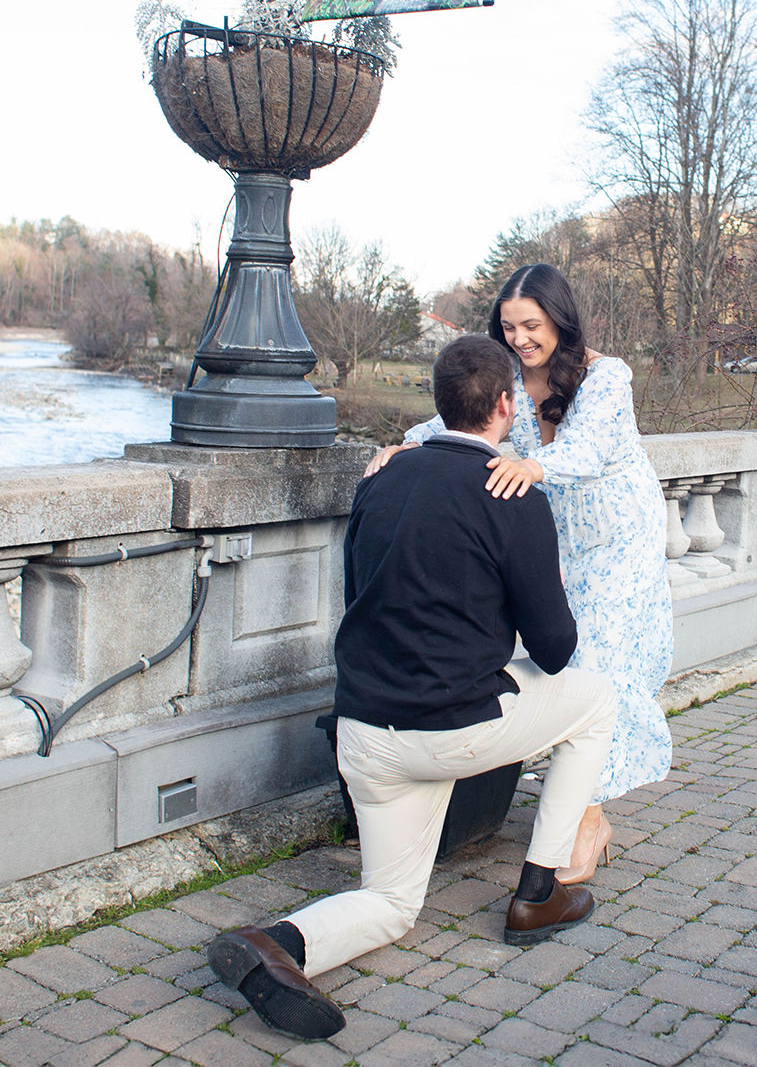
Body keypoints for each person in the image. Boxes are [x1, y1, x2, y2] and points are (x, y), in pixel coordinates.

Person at [206, 334, 618, 1041]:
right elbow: (555, 650)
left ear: (438, 405)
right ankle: (540, 890)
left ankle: (279, 943)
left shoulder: (381, 478)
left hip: (364, 729)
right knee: (596, 700)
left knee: (393, 904)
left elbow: (360, 595)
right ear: (504, 406)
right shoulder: (511, 491)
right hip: (449, 730)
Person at [367, 262, 674, 885]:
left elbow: (585, 451)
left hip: (619, 538)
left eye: (531, 325)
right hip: (560, 536)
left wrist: (532, 468)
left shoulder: (606, 376)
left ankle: (587, 820)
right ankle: (572, 799)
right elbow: (449, 424)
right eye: (508, 327)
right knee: (565, 665)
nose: (520, 339)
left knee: (603, 666)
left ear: (559, 319)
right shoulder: (506, 375)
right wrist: (402, 447)